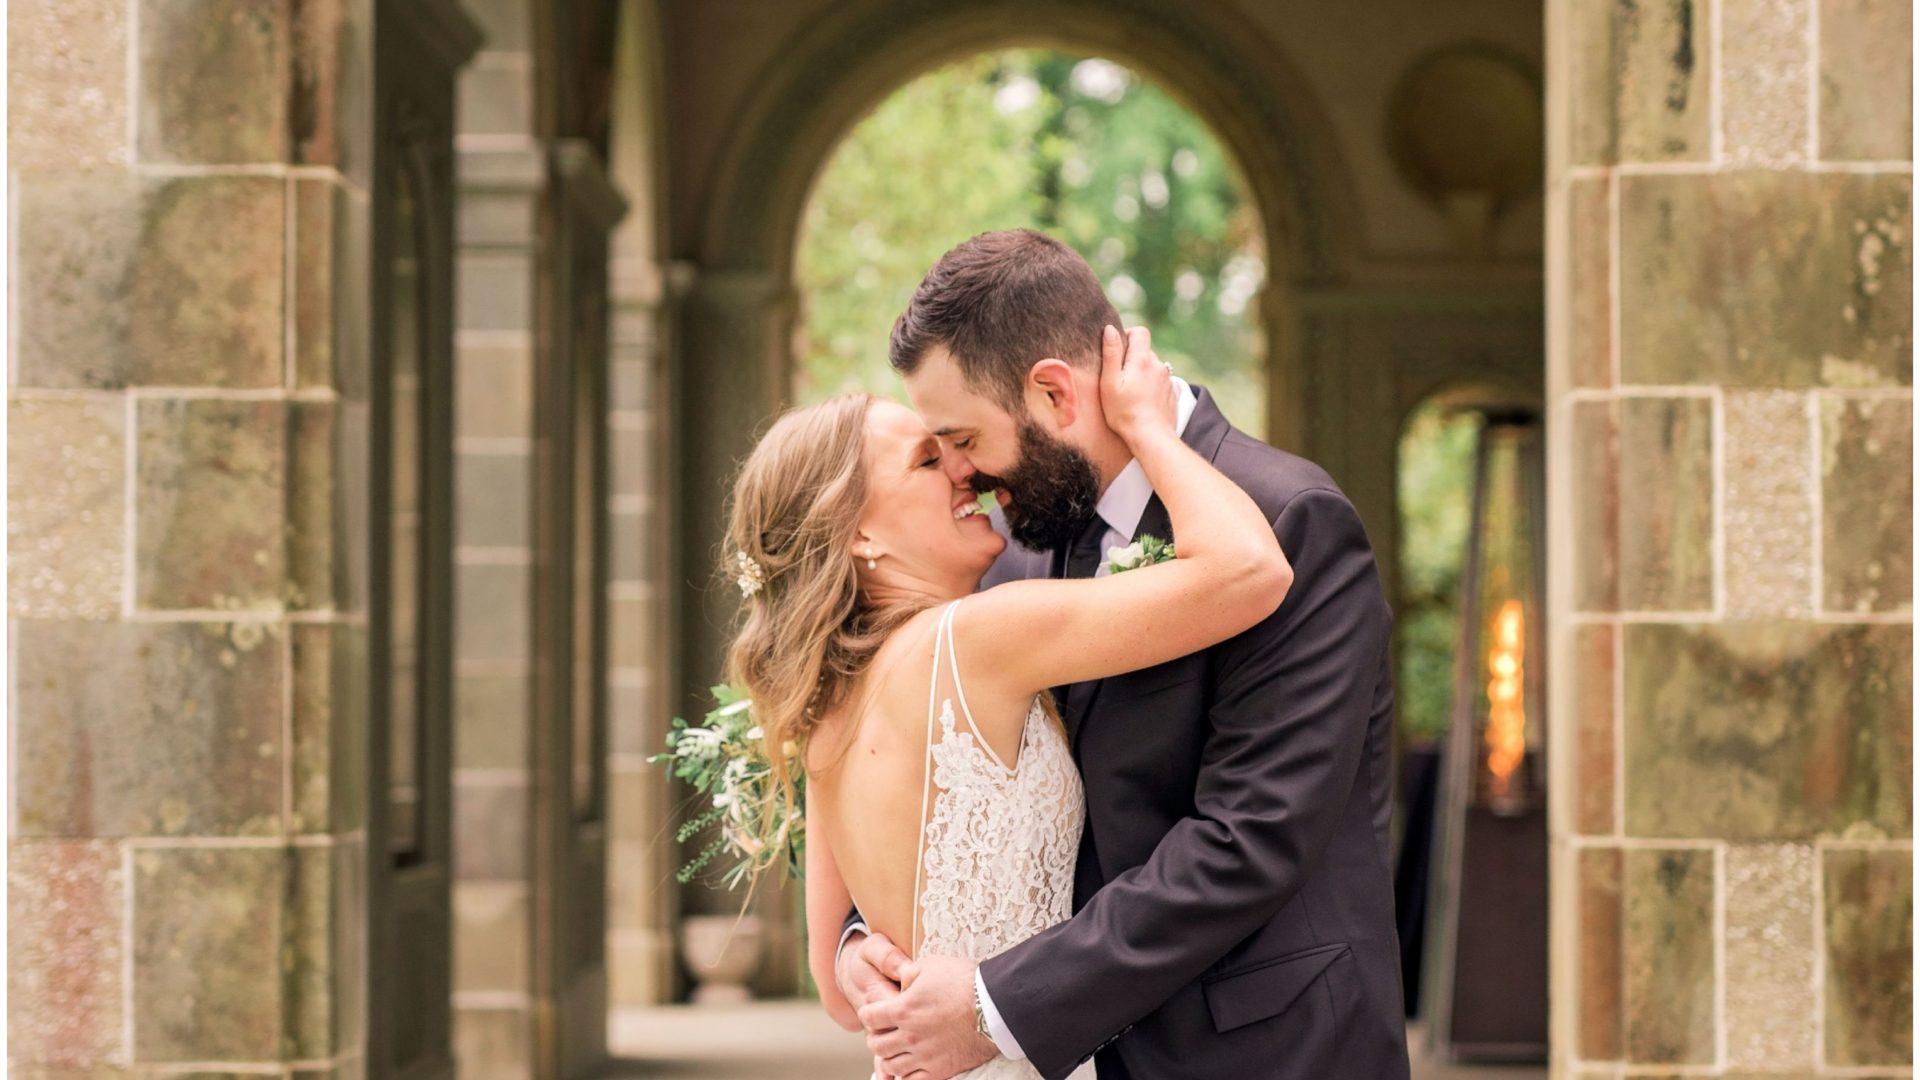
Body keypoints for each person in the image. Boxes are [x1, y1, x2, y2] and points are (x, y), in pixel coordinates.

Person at [836, 229, 1411, 1080]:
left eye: (962, 438)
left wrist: (997, 1008)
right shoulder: (1027, 545)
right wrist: (867, 937)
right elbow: (939, 767)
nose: (963, 476)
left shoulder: (1291, 518)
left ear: (1056, 397)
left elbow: (1250, 837)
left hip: (1272, 1048)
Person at [720, 321, 1292, 1080]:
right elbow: (1251, 571)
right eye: (928, 459)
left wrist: (862, 948)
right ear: (859, 535)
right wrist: (1151, 429)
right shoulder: (975, 640)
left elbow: (837, 989)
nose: (966, 472)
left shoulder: (823, 702)